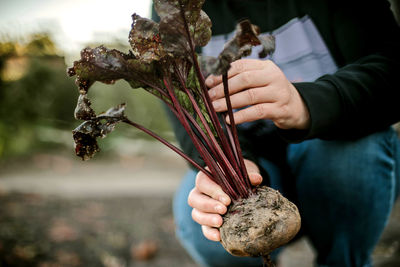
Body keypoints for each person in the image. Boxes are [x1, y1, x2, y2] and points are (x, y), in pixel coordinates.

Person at [154, 0, 400, 266]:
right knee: (202, 221)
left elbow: (390, 70)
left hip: (336, 160)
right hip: (256, 166)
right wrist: (235, 165)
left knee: (354, 153)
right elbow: (188, 115)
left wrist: (304, 103)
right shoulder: (174, 7)